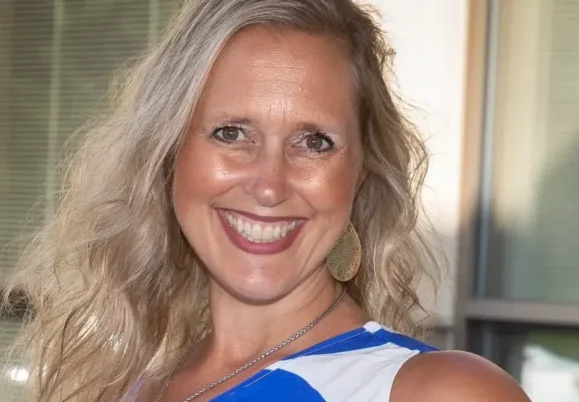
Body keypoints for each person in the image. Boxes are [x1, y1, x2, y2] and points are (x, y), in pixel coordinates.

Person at [3, 1, 531, 401]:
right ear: (167, 154)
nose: (269, 185)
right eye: (232, 133)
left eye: (314, 142)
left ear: (360, 174)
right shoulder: (133, 388)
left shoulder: (436, 392)